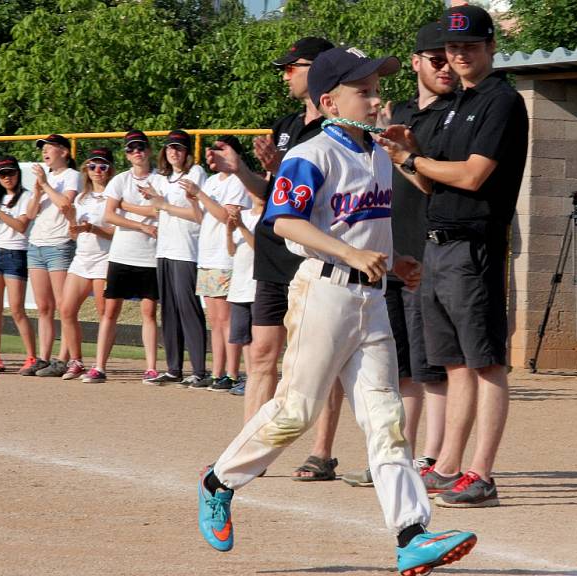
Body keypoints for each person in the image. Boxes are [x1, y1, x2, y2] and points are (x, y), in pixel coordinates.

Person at [197, 46, 476, 576]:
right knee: (295, 412)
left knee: (386, 419)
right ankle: (219, 481)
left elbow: (368, 228)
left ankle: (412, 536)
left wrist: (397, 263)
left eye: (376, 88)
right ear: (329, 101)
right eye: (363, 90)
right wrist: (349, 254)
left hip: (371, 299)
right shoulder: (312, 153)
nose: (376, 99)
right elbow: (282, 221)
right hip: (322, 293)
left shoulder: (375, 152)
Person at [378, 5, 529, 508]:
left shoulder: (500, 101)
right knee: (455, 365)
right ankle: (447, 467)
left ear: (490, 48)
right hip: (437, 244)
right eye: (452, 46)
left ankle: (482, 473)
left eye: (469, 45)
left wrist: (418, 158)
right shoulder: (452, 104)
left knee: (485, 363)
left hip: (475, 245)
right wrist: (403, 156)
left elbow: (471, 176)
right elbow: (426, 181)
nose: (459, 54)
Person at [205, 37, 343, 481]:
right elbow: (273, 195)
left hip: (314, 252)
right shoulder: (285, 124)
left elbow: (330, 193)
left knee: (324, 358)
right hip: (272, 250)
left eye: (292, 67)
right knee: (262, 352)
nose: (285, 74)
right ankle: (251, 452)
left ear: (318, 69)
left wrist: (284, 162)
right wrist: (240, 169)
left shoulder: (339, 126)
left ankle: (321, 453)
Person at [341, 21, 455, 487]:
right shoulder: (398, 112)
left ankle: (431, 457)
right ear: (416, 62)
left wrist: (403, 153)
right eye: (436, 58)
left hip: (425, 253)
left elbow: (433, 183)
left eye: (451, 57)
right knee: (399, 366)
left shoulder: (452, 116)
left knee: (433, 367)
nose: (446, 66)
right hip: (389, 255)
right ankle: (397, 456)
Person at [83, 130, 159, 384]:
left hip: (150, 255)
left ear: (148, 150)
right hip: (123, 254)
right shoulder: (121, 181)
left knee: (148, 312)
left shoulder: (159, 179)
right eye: (131, 149)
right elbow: (109, 216)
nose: (136, 152)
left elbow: (158, 210)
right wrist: (141, 224)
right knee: (110, 311)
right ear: (126, 155)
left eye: (140, 147)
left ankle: (150, 367)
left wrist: (125, 206)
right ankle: (99, 366)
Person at [183, 136, 250, 391]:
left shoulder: (237, 181)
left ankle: (232, 373)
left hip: (225, 255)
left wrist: (199, 193)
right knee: (214, 320)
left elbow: (226, 217)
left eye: (222, 149)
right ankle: (218, 371)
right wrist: (193, 200)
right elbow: (203, 219)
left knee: (226, 319)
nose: (215, 153)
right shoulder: (212, 181)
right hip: (207, 255)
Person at [141, 129, 208, 387]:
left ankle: (199, 370)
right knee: (168, 310)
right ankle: (173, 368)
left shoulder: (195, 174)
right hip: (164, 249)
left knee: (187, 308)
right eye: (170, 147)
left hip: (186, 250)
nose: (173, 152)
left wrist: (163, 204)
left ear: (187, 152)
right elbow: (154, 207)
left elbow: (197, 214)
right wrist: (151, 198)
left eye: (179, 148)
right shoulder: (161, 178)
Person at [23, 134, 81, 377]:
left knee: (63, 307)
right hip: (37, 244)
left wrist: (45, 185)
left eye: (50, 148)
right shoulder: (44, 179)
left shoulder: (71, 175)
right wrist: (38, 192)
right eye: (43, 149)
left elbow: (66, 206)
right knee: (44, 307)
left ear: (64, 152)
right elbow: (30, 213)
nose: (45, 152)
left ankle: (64, 358)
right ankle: (44, 358)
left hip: (59, 245)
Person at [59, 148, 115, 380]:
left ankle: (100, 364)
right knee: (66, 309)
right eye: (92, 166)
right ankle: (76, 360)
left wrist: (91, 228)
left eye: (102, 166)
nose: (97, 171)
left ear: (110, 169)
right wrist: (72, 221)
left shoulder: (114, 194)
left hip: (105, 260)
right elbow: (74, 235)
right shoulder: (82, 197)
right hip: (82, 259)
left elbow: (114, 232)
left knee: (105, 313)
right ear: (86, 170)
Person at [0, 156, 37, 374]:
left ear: (18, 174)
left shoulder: (26, 197)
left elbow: (21, 226)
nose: (7, 178)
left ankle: (32, 356)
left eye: (11, 173)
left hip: (16, 253)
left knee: (17, 310)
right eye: (2, 174)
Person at [223, 187, 264, 395]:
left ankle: (259, 378)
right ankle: (250, 377)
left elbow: (260, 249)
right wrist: (230, 231)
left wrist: (241, 227)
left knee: (259, 337)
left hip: (258, 286)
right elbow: (231, 251)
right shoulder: (244, 215)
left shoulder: (268, 218)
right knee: (244, 338)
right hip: (239, 287)